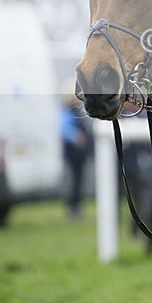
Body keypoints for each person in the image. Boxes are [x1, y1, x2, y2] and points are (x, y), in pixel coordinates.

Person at [60, 89, 92, 220]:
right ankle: (73, 207)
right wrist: (76, 137)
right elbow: (63, 128)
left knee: (78, 181)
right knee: (74, 181)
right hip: (73, 153)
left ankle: (76, 206)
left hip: (79, 154)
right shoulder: (68, 112)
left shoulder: (76, 111)